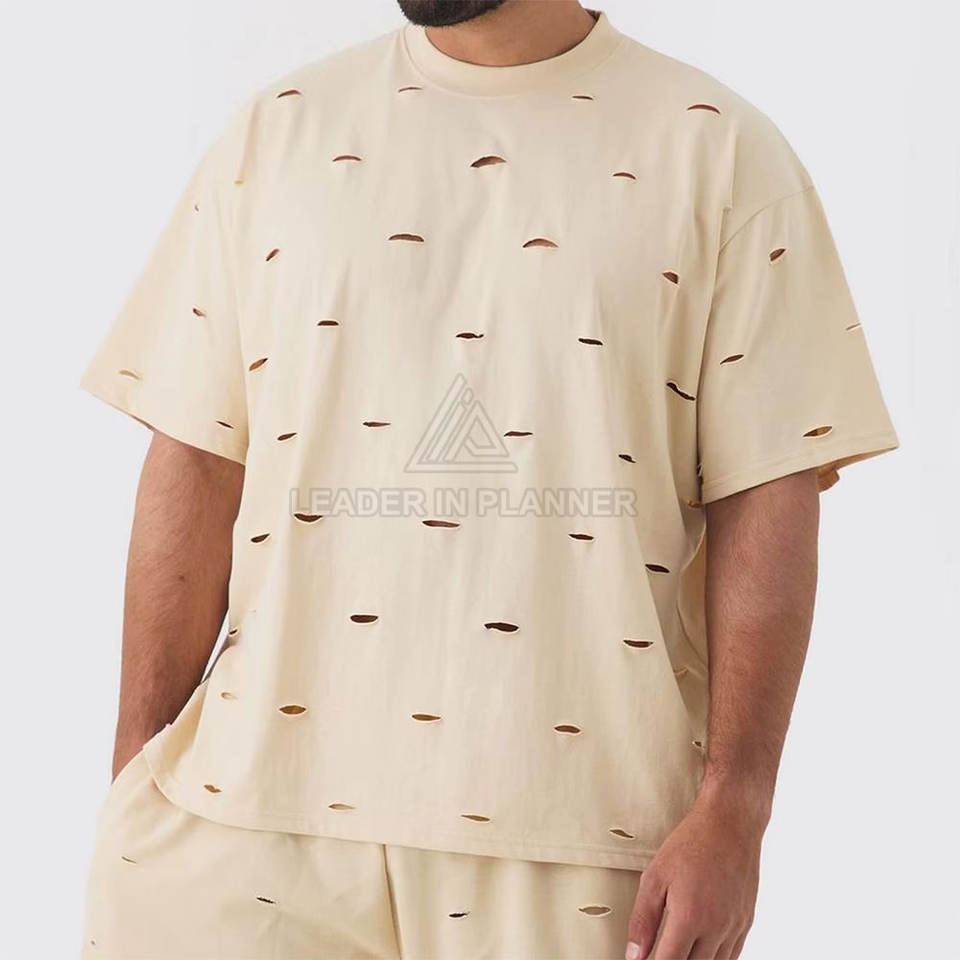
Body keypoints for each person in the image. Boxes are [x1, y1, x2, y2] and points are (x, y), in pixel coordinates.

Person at [79, 2, 900, 958]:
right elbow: (195, 456)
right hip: (237, 827)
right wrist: (133, 771)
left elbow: (768, 494)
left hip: (576, 842)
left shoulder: (720, 155)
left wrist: (736, 809)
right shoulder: (278, 133)